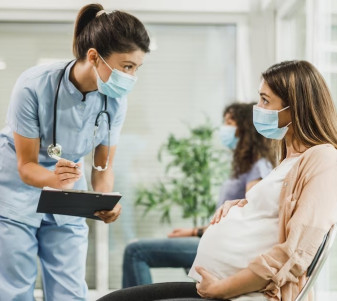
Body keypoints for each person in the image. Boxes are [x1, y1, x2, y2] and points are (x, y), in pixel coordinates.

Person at [97, 60, 337, 301]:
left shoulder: (323, 158)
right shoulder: (288, 160)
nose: (258, 107)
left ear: (295, 108)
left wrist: (223, 289)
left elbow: (295, 252)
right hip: (217, 287)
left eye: (265, 100)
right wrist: (240, 205)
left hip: (242, 294)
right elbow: (273, 213)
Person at [0, 3, 150, 300]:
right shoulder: (34, 85)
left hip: (68, 195)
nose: (132, 77)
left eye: (136, 68)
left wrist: (104, 201)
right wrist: (55, 180)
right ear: (94, 56)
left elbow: (103, 167)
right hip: (16, 195)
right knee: (15, 291)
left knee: (70, 292)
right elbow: (26, 165)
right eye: (127, 67)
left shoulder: (114, 102)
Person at [122, 102, 276, 288]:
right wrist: (193, 232)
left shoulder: (258, 167)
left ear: (245, 127)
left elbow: (247, 216)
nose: (224, 128)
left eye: (230, 122)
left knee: (136, 252)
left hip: (226, 247)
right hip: (217, 241)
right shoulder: (245, 166)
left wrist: (196, 232)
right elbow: (227, 218)